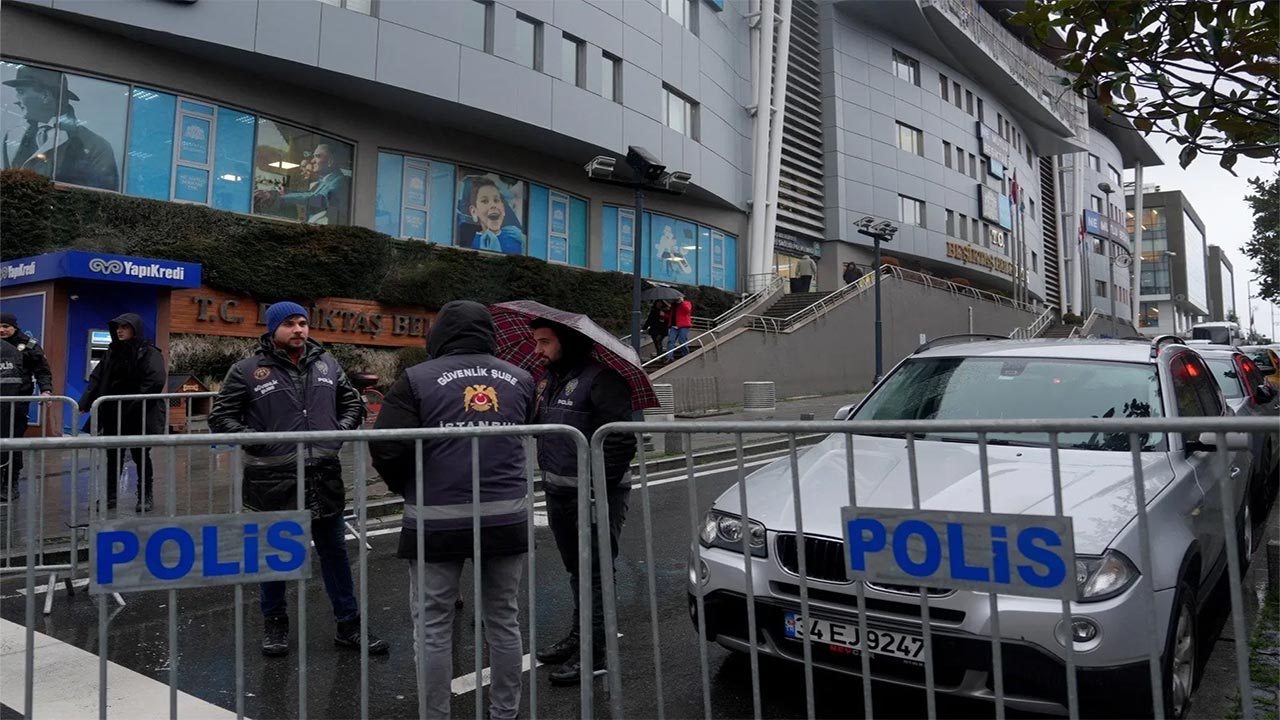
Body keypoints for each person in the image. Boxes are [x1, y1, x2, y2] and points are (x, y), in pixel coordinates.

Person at [369, 300, 536, 720]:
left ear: (439, 333)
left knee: (433, 627)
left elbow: (387, 445)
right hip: (506, 517)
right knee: (504, 619)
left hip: (436, 519)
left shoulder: (416, 379)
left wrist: (407, 487)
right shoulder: (521, 378)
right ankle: (505, 712)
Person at [208, 302, 388, 658]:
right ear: (273, 328)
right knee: (275, 555)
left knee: (334, 553)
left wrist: (338, 433)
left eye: (303, 322)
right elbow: (221, 417)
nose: (299, 329)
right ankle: (275, 624)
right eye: (290, 323)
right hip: (271, 478)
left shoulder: (327, 364)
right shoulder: (247, 370)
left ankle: (349, 625)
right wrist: (260, 440)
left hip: (323, 475)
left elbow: (353, 405)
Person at [530, 318, 636, 685]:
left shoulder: (602, 379)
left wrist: (596, 489)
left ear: (568, 342)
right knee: (577, 571)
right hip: (559, 490)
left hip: (595, 495)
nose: (537, 350)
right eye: (536, 342)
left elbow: (621, 439)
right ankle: (580, 637)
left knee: (595, 572)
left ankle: (595, 653)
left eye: (544, 342)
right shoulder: (547, 380)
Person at [77, 313, 166, 512]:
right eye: (117, 327)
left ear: (135, 329)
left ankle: (145, 496)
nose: (119, 331)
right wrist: (85, 402)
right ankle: (109, 497)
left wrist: (133, 403)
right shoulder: (112, 352)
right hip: (112, 413)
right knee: (113, 456)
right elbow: (97, 378)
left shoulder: (149, 352)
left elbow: (155, 381)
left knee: (141, 455)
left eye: (124, 327)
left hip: (139, 413)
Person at [2, 65, 119, 190]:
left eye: (21, 92)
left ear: (45, 96)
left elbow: (104, 197)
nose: (16, 100)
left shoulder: (94, 146)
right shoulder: (13, 136)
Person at [0, 312, 53, 501]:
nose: (2, 330)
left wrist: (46, 390)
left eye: (6, 326)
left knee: (13, 442)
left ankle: (10, 484)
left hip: (17, 401)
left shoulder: (28, 345)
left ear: (14, 327)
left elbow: (42, 371)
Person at [254, 143, 351, 225]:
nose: (312, 161)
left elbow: (318, 198)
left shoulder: (339, 181)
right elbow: (307, 193)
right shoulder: (324, 181)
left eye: (317, 156)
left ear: (330, 161)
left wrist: (281, 197)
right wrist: (281, 192)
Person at [459, 176, 524, 254]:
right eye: (485, 201)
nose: (493, 205)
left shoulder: (516, 236)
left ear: (503, 209)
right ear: (474, 211)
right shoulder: (472, 242)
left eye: (496, 200)